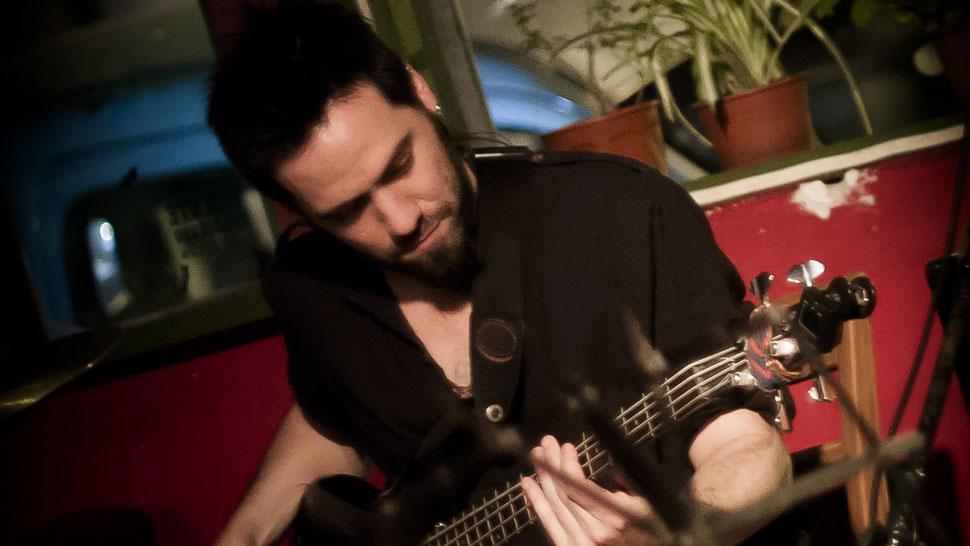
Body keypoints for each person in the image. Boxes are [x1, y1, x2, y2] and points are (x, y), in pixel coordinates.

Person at [207, 2, 792, 545]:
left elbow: (746, 446)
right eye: (346, 212)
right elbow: (333, 413)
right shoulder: (315, 294)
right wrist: (244, 533)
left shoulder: (620, 213)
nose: (401, 220)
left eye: (399, 165)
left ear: (419, 89)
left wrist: (675, 532)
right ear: (300, 211)